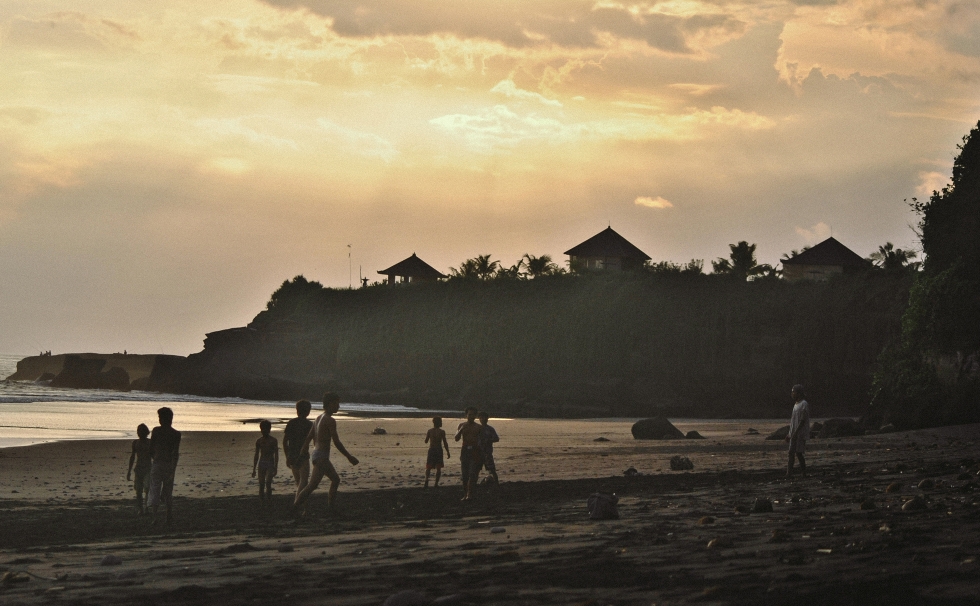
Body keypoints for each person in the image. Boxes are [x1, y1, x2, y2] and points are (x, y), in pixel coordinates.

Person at [292, 393, 358, 515]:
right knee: (311, 485)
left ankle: (331, 508)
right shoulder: (330, 420)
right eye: (336, 403)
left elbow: (308, 438)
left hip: (316, 455)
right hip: (321, 456)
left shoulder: (318, 418)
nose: (338, 406)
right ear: (329, 404)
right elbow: (336, 442)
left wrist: (303, 453)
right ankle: (295, 507)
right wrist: (349, 457)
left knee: (335, 479)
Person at [148, 407, 181, 525]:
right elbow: (175, 453)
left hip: (157, 463)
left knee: (155, 489)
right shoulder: (176, 434)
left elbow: (151, 449)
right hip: (169, 464)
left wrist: (155, 458)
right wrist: (173, 468)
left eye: (160, 417)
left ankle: (155, 517)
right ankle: (168, 515)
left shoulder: (156, 431)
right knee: (168, 491)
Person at [283, 400, 314, 499]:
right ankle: (299, 503)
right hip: (303, 455)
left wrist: (287, 456)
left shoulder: (291, 423)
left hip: (292, 454)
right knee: (304, 482)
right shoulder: (309, 424)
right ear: (308, 411)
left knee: (298, 482)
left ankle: (300, 504)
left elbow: (285, 442)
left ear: (297, 410)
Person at [454, 407, 483, 501]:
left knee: (472, 473)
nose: (471, 416)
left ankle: (470, 494)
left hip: (475, 450)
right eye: (469, 414)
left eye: (473, 415)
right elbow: (456, 438)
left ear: (475, 416)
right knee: (465, 474)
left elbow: (482, 440)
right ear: (466, 415)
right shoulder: (462, 425)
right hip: (465, 449)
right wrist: (461, 430)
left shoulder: (478, 427)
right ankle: (465, 494)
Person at [785, 384, 810, 478]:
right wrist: (789, 434)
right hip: (793, 434)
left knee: (799, 453)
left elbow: (802, 420)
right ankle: (789, 473)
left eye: (793, 392)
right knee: (791, 453)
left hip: (800, 434)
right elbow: (793, 422)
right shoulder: (795, 405)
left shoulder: (804, 404)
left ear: (798, 393)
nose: (792, 394)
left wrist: (796, 433)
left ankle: (804, 473)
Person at [126, 423, 152, 515]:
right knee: (138, 490)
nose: (138, 433)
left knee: (147, 488)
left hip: (148, 468)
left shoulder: (150, 442)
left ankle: (146, 507)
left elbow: (154, 455)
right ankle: (141, 509)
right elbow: (132, 457)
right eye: (138, 431)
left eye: (140, 431)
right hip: (138, 468)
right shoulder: (135, 443)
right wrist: (129, 471)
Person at [252, 420, 279, 502]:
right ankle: (261, 502)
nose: (263, 431)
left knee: (268, 483)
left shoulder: (273, 441)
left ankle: (269, 501)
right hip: (261, 463)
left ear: (269, 429)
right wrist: (254, 469)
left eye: (265, 429)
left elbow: (276, 454)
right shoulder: (259, 441)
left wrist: (275, 467)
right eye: (262, 429)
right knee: (261, 484)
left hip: (270, 463)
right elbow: (256, 455)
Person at [424, 417, 451, 488]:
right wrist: (448, 452)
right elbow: (445, 443)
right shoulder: (442, 432)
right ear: (439, 423)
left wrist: (429, 438)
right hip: (438, 450)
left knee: (428, 467)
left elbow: (426, 441)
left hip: (432, 449)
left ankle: (426, 480)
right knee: (438, 467)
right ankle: (436, 483)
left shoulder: (430, 431)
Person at [477, 412, 500, 485]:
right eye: (481, 418)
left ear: (487, 419)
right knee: (476, 470)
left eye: (484, 418)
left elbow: (496, 438)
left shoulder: (490, 429)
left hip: (487, 453)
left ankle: (496, 483)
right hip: (478, 452)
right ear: (479, 419)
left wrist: (488, 440)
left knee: (492, 469)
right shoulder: (477, 428)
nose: (483, 419)